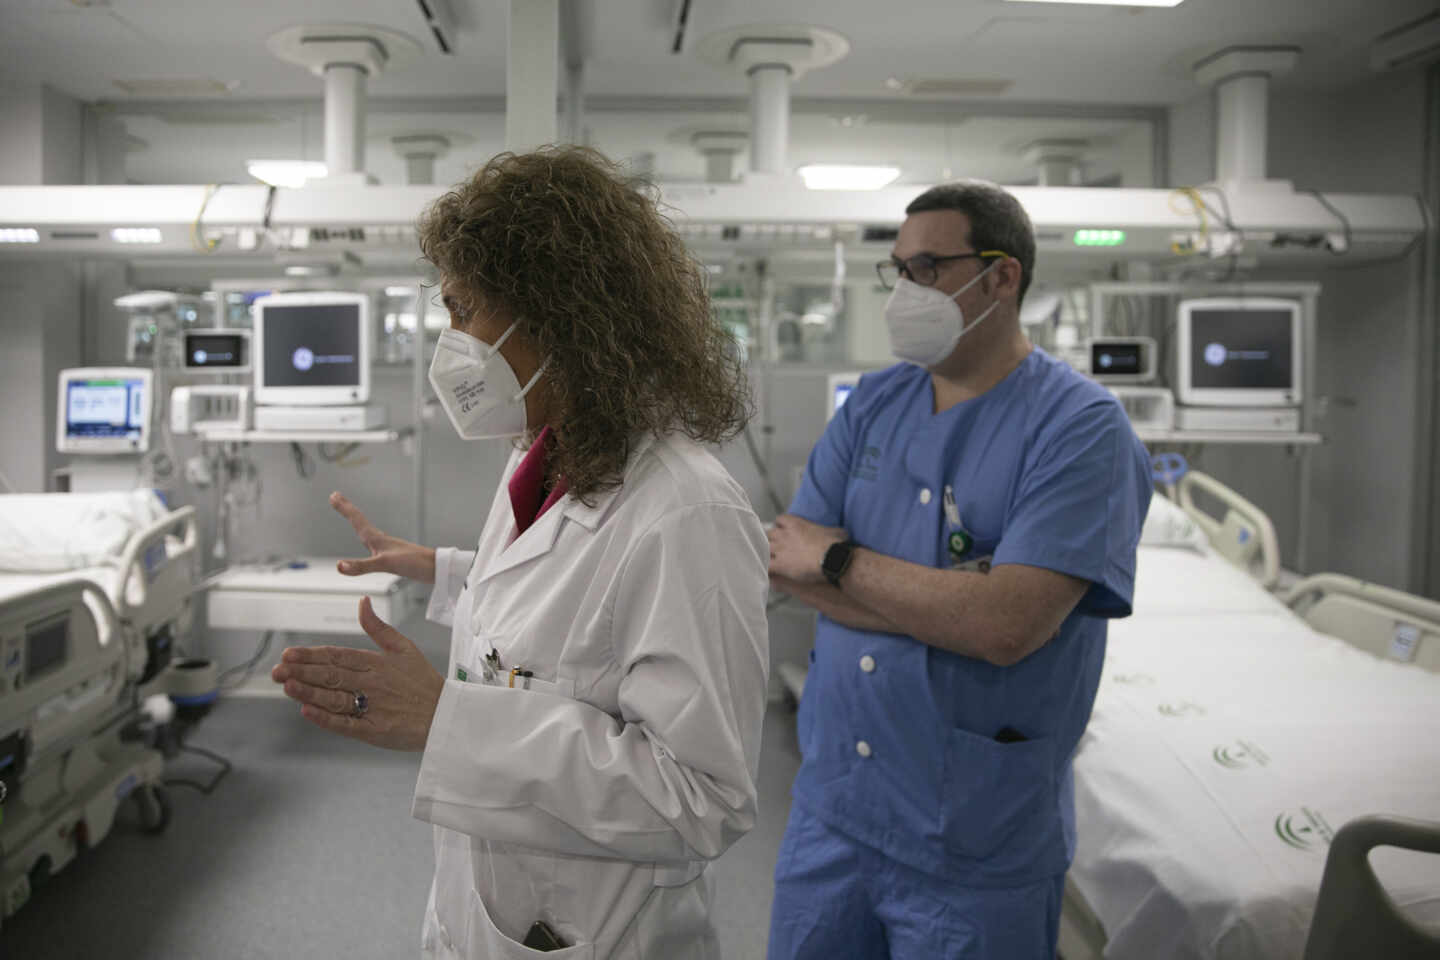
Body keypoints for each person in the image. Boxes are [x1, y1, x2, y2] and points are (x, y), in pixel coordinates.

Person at [270, 146, 770, 960]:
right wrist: (450, 572)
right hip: (491, 909)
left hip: (602, 931)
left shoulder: (687, 510)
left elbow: (702, 801)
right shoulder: (546, 453)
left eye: (464, 311)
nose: (452, 342)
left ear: (556, 311)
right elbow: (567, 626)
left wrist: (446, 721)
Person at [765, 181, 1152, 959]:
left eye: (931, 267)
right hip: (833, 810)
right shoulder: (874, 404)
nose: (908, 289)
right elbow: (787, 565)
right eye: (899, 271)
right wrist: (954, 604)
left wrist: (842, 561)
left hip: (976, 838)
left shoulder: (1079, 429)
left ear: (1001, 276)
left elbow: (1006, 627)